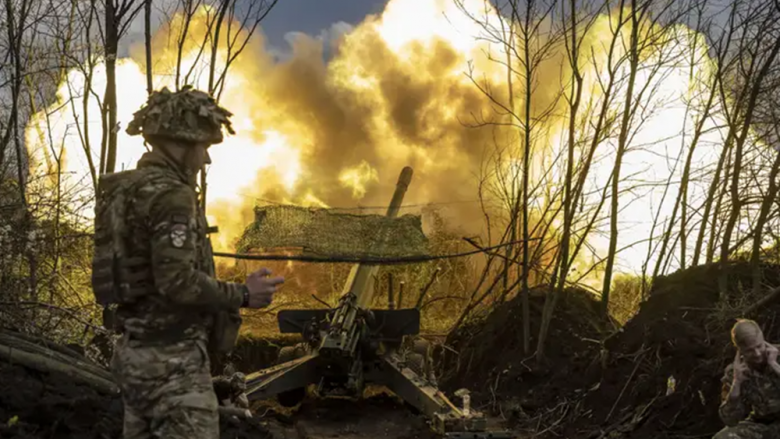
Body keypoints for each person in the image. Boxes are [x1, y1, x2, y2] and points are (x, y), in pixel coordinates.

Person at [93, 86, 284, 439]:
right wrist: (243, 293)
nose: (205, 160)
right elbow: (176, 281)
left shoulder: (125, 190)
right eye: (203, 148)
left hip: (134, 355)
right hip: (174, 364)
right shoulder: (172, 195)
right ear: (180, 143)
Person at [714, 319, 780, 439]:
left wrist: (775, 366)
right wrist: (736, 382)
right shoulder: (734, 372)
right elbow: (730, 420)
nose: (757, 353)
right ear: (739, 349)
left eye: (759, 346)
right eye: (750, 350)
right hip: (763, 425)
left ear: (763, 339)